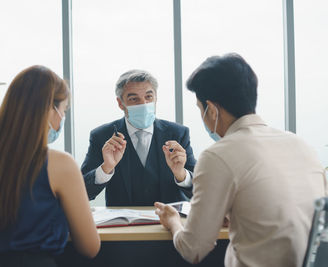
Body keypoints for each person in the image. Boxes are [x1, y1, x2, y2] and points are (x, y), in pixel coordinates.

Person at [154, 53, 327, 267]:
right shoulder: (302, 146)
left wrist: (173, 222)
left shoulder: (218, 155)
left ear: (212, 110)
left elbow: (193, 249)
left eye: (200, 109)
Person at [0, 65, 100, 267]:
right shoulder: (60, 164)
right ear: (49, 110)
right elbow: (90, 248)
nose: (62, 117)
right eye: (63, 110)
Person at [81, 69, 196, 206]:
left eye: (148, 97)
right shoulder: (102, 136)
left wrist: (181, 174)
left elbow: (200, 189)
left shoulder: (178, 133)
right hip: (123, 224)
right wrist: (106, 168)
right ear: (120, 103)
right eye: (134, 99)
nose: (143, 104)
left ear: (156, 98)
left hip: (169, 222)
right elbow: (81, 191)